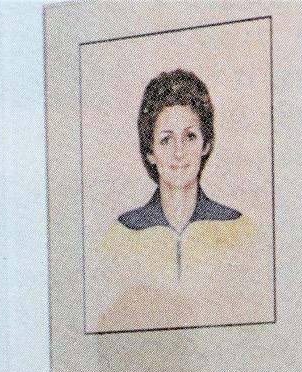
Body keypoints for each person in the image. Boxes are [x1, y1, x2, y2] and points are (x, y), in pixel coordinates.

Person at [90, 68, 266, 333]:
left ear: (206, 144)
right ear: (150, 152)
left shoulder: (240, 231)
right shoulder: (120, 236)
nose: (179, 152)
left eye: (190, 137)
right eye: (166, 140)